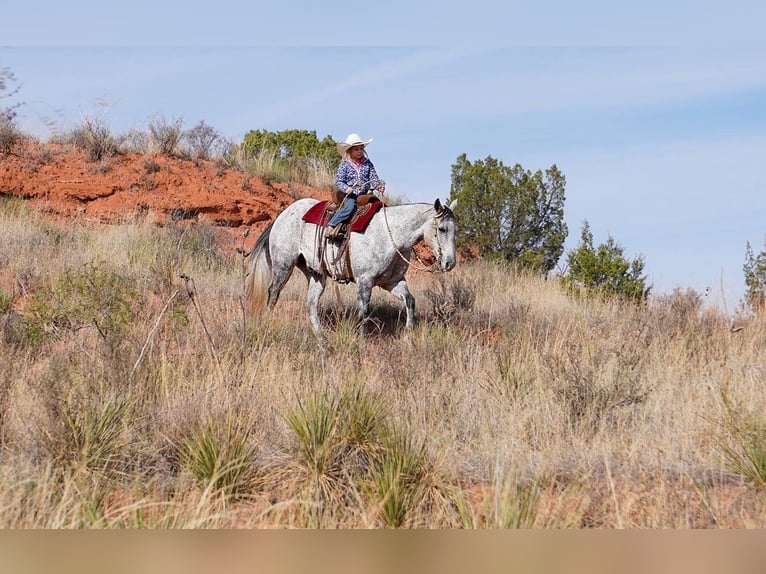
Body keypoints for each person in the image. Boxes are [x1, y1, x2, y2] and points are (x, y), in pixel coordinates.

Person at [326, 133, 385, 239]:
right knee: (350, 207)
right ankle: (332, 225)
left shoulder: (368, 164)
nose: (359, 152)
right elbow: (339, 181)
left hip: (364, 194)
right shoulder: (345, 164)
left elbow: (373, 178)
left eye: (361, 149)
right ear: (350, 151)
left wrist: (378, 186)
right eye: (356, 149)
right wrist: (347, 188)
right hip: (350, 194)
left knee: (377, 206)